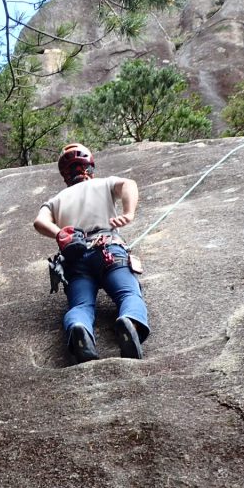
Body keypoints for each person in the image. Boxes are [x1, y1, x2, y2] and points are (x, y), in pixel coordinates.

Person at [33, 143, 150, 364]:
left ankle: (80, 328)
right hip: (108, 249)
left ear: (65, 175)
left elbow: (39, 222)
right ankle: (129, 321)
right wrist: (128, 213)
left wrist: (61, 234)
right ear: (90, 166)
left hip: (74, 259)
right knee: (128, 294)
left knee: (80, 306)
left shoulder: (56, 199)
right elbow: (128, 184)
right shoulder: (103, 183)